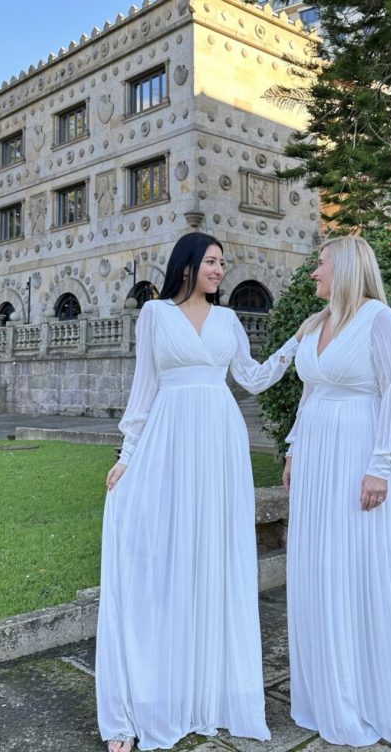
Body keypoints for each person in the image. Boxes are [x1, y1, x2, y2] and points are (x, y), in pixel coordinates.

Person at [96, 232, 299, 752]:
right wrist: (126, 457)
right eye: (211, 261)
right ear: (186, 264)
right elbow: (144, 389)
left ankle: (213, 691)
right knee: (162, 553)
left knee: (216, 556)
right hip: (168, 439)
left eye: (222, 263)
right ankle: (150, 698)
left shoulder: (229, 321)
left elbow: (250, 378)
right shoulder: (155, 316)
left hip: (220, 445)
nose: (219, 270)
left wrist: (297, 343)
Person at [282, 236, 391, 749]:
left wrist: (381, 467)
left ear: (347, 269)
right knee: (319, 566)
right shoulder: (316, 324)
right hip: (314, 458)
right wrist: (291, 449)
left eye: (321, 265)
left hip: (357, 456)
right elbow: (309, 393)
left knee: (359, 566)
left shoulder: (379, 320)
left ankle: (375, 696)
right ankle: (329, 692)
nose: (314, 274)